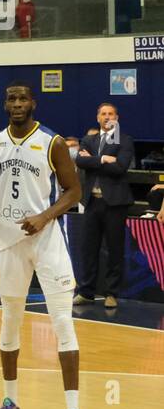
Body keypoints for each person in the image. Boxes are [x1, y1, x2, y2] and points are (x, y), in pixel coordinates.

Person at [0, 83, 90, 409]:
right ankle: (11, 405)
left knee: (63, 323)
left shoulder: (53, 142)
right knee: (9, 324)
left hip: (46, 242)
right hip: (10, 244)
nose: (16, 104)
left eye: (22, 99)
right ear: (5, 104)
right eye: (11, 99)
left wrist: (45, 216)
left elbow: (74, 191)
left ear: (33, 103)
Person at [74, 102, 135, 309]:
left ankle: (111, 293)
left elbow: (120, 167)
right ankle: (86, 292)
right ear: (97, 117)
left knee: (114, 249)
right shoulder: (89, 139)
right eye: (103, 113)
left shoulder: (125, 140)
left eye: (111, 114)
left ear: (117, 118)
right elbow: (80, 163)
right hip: (92, 202)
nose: (107, 117)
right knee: (88, 249)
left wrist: (93, 160)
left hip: (115, 203)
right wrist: (103, 159)